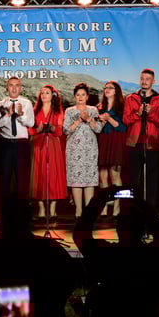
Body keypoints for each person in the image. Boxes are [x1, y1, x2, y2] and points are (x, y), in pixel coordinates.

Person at [73, 186, 159, 317]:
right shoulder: (152, 254)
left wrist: (99, 199)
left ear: (118, 228)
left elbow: (80, 234)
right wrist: (142, 203)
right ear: (143, 229)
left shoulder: (106, 254)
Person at [123, 68, 159, 207]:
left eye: (147, 79)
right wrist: (138, 113)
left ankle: (150, 208)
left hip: (152, 143)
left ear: (153, 81)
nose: (144, 81)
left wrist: (151, 113)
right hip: (134, 143)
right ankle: (132, 207)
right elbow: (126, 120)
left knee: (151, 178)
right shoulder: (131, 98)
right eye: (142, 78)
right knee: (133, 178)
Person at [0, 76, 35, 204]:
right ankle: (5, 210)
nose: (14, 88)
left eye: (17, 85)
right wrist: (8, 115)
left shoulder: (27, 103)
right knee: (4, 178)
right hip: (5, 144)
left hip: (21, 144)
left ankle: (23, 209)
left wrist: (21, 115)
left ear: (21, 88)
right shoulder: (1, 104)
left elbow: (31, 123)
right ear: (7, 87)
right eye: (11, 85)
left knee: (22, 179)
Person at [64, 82, 102, 218]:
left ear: (87, 97)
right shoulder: (69, 111)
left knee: (89, 178)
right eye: (78, 95)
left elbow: (98, 129)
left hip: (90, 149)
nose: (80, 97)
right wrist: (78, 121)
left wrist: (88, 119)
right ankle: (79, 210)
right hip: (74, 149)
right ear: (74, 97)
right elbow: (65, 130)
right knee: (76, 178)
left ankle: (88, 211)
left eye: (83, 95)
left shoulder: (93, 110)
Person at [28, 85, 67, 219]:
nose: (44, 95)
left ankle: (53, 208)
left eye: (47, 93)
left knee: (53, 175)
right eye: (42, 93)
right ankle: (41, 208)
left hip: (53, 145)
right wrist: (37, 130)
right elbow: (30, 129)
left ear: (53, 96)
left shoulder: (57, 111)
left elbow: (60, 131)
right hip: (38, 144)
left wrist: (52, 127)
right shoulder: (34, 111)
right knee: (39, 174)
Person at [96, 80, 127, 217]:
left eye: (110, 88)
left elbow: (122, 127)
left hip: (116, 140)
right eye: (105, 87)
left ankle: (117, 207)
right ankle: (103, 207)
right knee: (102, 174)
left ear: (116, 91)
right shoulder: (100, 107)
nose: (107, 89)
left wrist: (108, 118)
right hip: (103, 139)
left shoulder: (121, 107)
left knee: (115, 174)